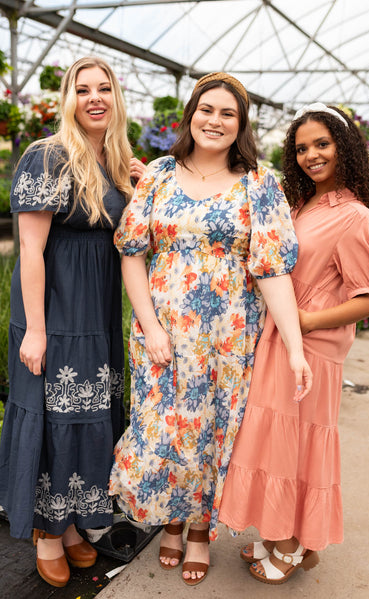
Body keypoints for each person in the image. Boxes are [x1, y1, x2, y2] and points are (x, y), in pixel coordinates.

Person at [109, 72, 312, 586]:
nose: (215, 121)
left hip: (229, 335)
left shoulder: (259, 184)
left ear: (241, 124)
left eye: (227, 113)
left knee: (216, 429)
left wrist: (294, 349)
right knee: (169, 429)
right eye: (206, 110)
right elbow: (132, 255)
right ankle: (170, 521)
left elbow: (272, 271)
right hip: (163, 332)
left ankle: (198, 528)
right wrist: (150, 325)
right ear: (191, 116)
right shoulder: (157, 173)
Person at [218, 103, 369, 584]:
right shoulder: (301, 205)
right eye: (301, 148)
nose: (311, 155)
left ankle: (292, 546)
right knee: (276, 446)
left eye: (322, 144)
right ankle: (284, 535)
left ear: (346, 147)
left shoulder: (356, 218)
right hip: (278, 339)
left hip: (310, 349)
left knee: (295, 449)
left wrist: (310, 321)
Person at [0, 56, 145, 588]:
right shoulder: (47, 156)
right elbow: (29, 251)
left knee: (90, 415)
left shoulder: (117, 159)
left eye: (103, 88)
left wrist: (142, 184)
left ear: (116, 98)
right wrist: (35, 329)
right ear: (67, 99)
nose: (94, 98)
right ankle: (46, 529)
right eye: (82, 90)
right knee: (56, 412)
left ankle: (75, 522)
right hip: (55, 309)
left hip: (98, 311)